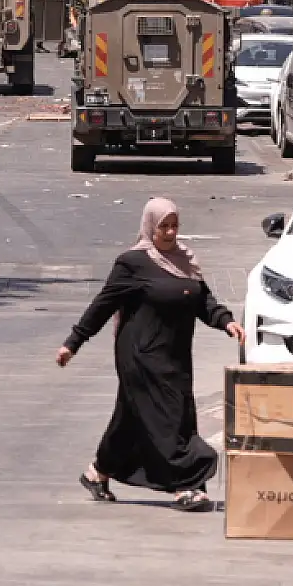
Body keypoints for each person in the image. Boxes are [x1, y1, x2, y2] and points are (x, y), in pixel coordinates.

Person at [56, 197, 244, 512]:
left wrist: (226, 321)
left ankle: (98, 472)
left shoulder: (184, 259)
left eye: (174, 225)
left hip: (174, 355)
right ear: (149, 227)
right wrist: (73, 342)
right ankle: (185, 484)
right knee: (170, 418)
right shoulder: (133, 263)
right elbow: (103, 305)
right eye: (163, 227)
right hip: (141, 355)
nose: (170, 233)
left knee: (132, 418)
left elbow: (202, 299)